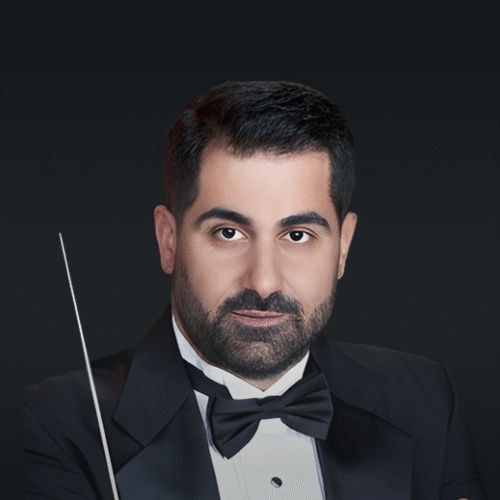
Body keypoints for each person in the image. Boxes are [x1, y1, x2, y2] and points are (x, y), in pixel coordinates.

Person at [24, 81, 486, 500]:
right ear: (169, 240)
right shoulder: (54, 423)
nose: (263, 282)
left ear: (342, 247)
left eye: (297, 235)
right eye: (228, 233)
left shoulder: (425, 400)